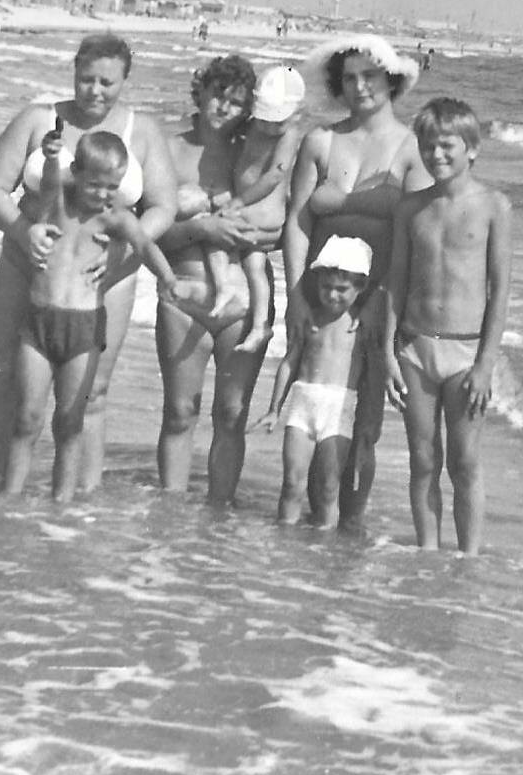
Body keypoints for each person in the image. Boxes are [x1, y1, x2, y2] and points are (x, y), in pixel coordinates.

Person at [0, 32, 178, 493]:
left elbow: (163, 206)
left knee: (93, 394)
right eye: (87, 79)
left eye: (107, 82)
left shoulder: (142, 132)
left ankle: (80, 504)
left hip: (106, 278)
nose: (95, 90)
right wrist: (23, 232)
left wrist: (125, 250)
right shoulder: (38, 119)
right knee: (9, 380)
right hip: (26, 266)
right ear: (74, 72)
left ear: (124, 80)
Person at [284, 33, 432, 533]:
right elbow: (298, 223)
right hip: (322, 301)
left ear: (391, 81)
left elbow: (414, 239)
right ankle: (311, 537)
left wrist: (382, 302)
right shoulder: (320, 142)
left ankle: (348, 534)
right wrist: (295, 295)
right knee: (314, 419)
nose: (360, 86)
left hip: (380, 302)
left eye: (370, 76)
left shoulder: (412, 149)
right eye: (349, 78)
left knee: (362, 428)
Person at [4, 127, 177, 503]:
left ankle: (61, 504)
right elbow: (50, 182)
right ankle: (9, 499)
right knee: (26, 418)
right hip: (39, 322)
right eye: (95, 184)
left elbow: (145, 245)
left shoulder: (117, 219)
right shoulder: (58, 203)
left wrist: (168, 279)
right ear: (76, 173)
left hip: (83, 329)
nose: (102, 194)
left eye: (112, 187)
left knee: (69, 422)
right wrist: (51, 156)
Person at [154, 54, 290, 505]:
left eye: (236, 102)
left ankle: (219, 518)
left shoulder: (254, 152)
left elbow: (282, 223)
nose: (223, 107)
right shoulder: (169, 149)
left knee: (231, 415)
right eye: (217, 95)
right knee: (179, 411)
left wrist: (259, 235)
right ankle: (171, 513)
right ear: (201, 92)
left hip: (244, 304)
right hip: (183, 297)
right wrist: (202, 230)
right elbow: (148, 233)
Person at [383, 98, 513, 555]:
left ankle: (469, 557)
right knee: (422, 460)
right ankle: (427, 554)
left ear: (472, 148)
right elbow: (395, 283)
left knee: (465, 462)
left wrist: (485, 364)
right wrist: (388, 354)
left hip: (466, 352)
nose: (435, 154)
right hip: (415, 349)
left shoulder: (494, 206)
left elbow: (500, 290)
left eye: (446, 146)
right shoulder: (411, 208)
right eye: (427, 146)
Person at [172, 64, 310, 356]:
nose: (269, 127)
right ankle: (249, 313)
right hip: (190, 295)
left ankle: (243, 306)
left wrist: (237, 202)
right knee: (242, 258)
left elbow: (276, 176)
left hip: (258, 216)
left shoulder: (284, 135)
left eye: (276, 122)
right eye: (264, 119)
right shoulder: (248, 131)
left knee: (226, 241)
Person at [254, 237, 380, 527]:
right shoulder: (309, 319)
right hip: (302, 407)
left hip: (338, 412)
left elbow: (372, 377)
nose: (332, 295)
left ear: (360, 287)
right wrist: (274, 409)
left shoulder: (360, 328)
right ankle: (283, 538)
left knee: (328, 488)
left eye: (341, 289)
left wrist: (370, 422)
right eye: (326, 287)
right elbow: (289, 363)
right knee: (291, 484)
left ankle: (323, 545)